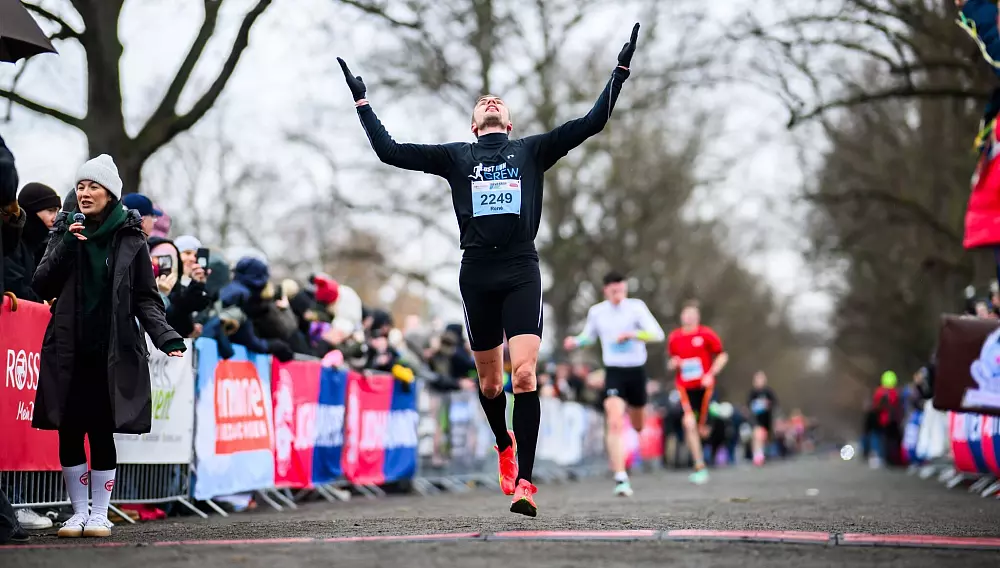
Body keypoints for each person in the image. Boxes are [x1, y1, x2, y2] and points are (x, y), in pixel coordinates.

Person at [338, 23, 641, 517]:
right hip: (477, 273)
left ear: (509, 122)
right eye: (483, 103)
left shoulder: (532, 151)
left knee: (525, 374)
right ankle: (503, 442)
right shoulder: (457, 157)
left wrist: (620, 72)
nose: (491, 102)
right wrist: (363, 103)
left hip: (521, 268)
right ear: (475, 124)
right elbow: (390, 152)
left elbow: (592, 122)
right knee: (491, 386)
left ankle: (525, 483)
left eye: (497, 101)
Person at [30, 154, 186, 539]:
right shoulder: (65, 229)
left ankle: (100, 514)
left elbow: (146, 298)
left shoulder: (131, 238)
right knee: (69, 429)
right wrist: (68, 243)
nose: (85, 193)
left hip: (112, 349)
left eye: (93, 186)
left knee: (101, 430)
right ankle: (77, 513)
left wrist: (165, 335)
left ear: (110, 193)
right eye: (80, 186)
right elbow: (41, 284)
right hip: (68, 346)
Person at [563, 271, 664, 497]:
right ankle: (620, 476)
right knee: (614, 420)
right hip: (614, 372)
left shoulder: (636, 307)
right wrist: (575, 341)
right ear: (606, 291)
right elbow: (589, 336)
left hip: (636, 371)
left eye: (621, 289)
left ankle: (626, 456)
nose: (618, 293)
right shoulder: (597, 312)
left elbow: (658, 335)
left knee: (638, 425)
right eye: (614, 290)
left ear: (626, 289)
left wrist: (633, 335)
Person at [666, 300, 728, 484]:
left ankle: (712, 418)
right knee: (688, 423)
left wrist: (711, 373)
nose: (689, 318)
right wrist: (673, 364)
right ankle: (699, 466)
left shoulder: (706, 334)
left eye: (692, 315)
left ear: (698, 317)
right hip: (685, 389)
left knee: (704, 431)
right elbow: (671, 361)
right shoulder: (675, 337)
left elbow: (722, 355)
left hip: (705, 388)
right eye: (686, 314)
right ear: (681, 317)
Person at [4, 182, 61, 302]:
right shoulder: (11, 242)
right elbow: (14, 284)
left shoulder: (38, 245)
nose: (55, 218)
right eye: (50, 210)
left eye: (57, 211)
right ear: (31, 211)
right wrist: (42, 304)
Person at [747, 371, 777, 466]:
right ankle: (757, 456)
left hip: (766, 419)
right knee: (757, 435)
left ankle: (762, 454)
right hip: (756, 418)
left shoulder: (769, 392)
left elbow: (775, 403)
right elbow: (749, 406)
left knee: (764, 438)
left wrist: (768, 405)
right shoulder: (752, 393)